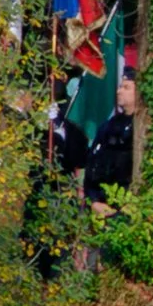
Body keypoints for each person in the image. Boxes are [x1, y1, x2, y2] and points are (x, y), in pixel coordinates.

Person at [60, 69, 138, 205]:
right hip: (99, 202)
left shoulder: (138, 129)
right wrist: (94, 200)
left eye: (126, 88)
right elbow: (93, 164)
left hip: (125, 204)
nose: (119, 91)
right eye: (120, 86)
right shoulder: (110, 126)